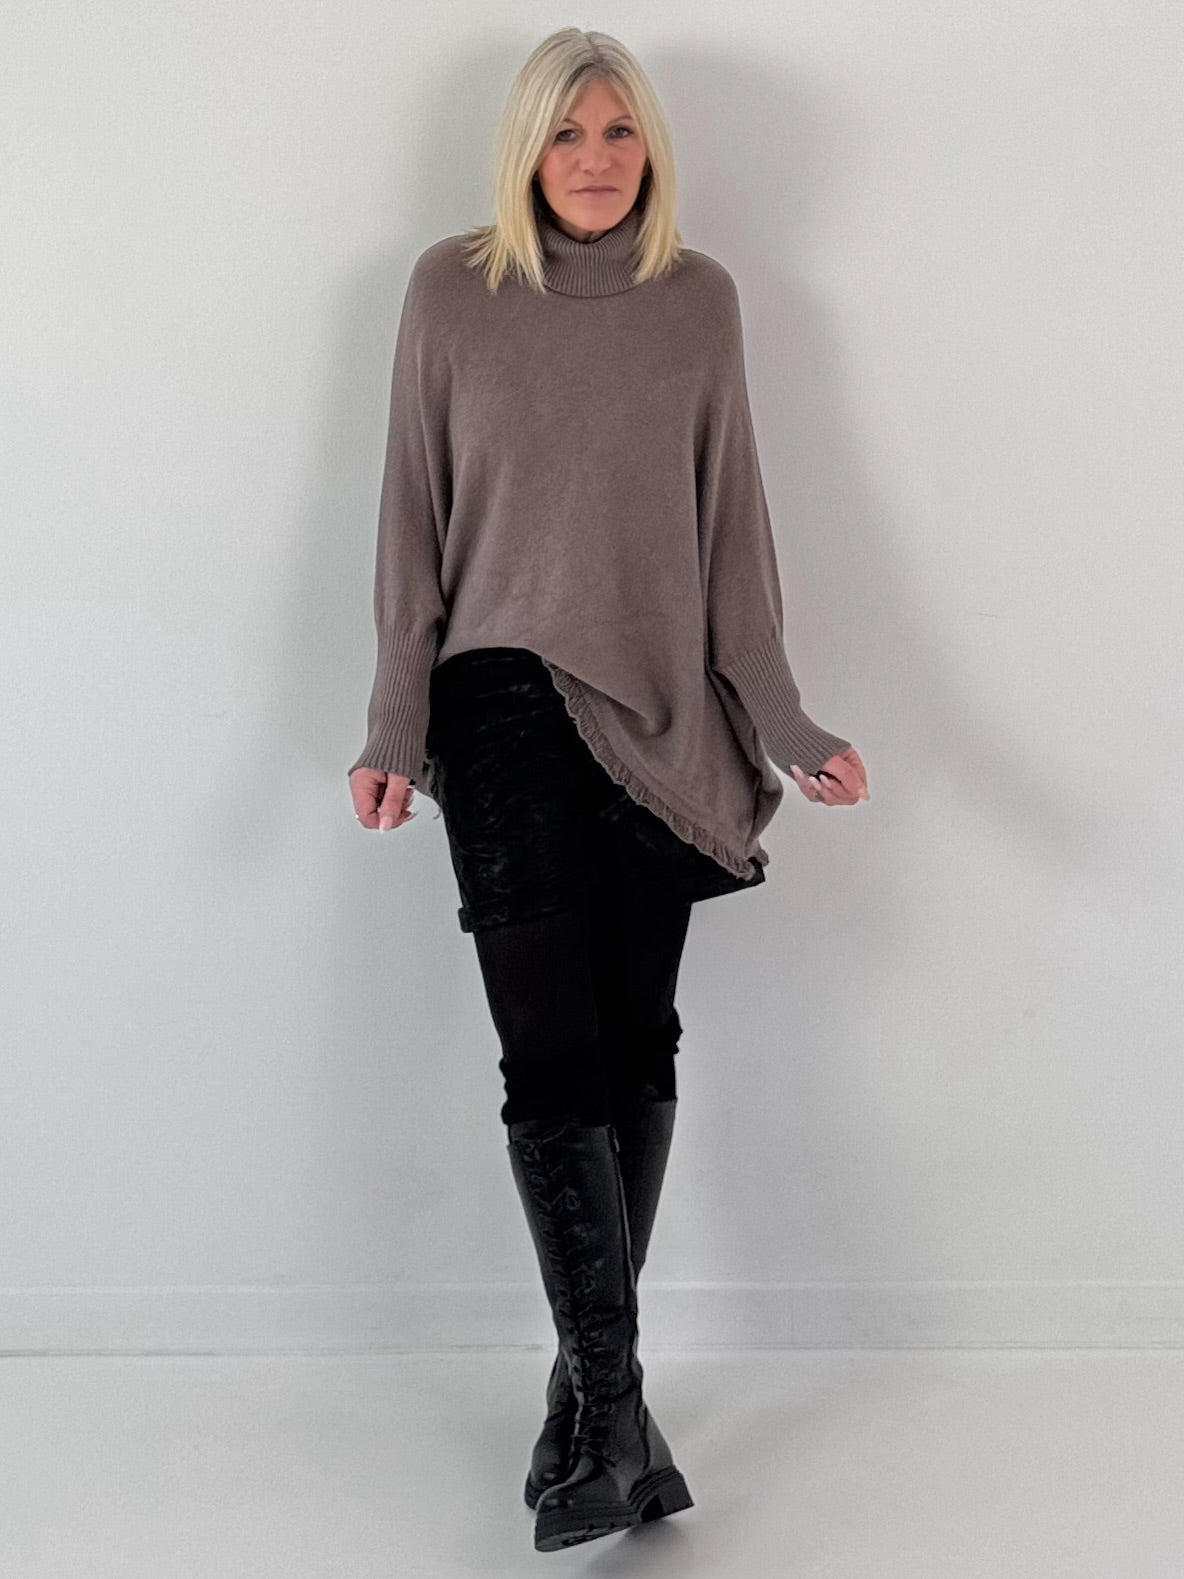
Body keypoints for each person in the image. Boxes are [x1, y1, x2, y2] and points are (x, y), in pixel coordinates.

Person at [346, 27, 870, 1553]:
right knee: (551, 1061)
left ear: (652, 150)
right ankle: (620, 1404)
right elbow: (410, 526)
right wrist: (392, 731)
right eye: (568, 132)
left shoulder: (699, 303)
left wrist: (786, 721)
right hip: (498, 701)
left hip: (664, 712)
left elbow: (732, 538)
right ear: (526, 148)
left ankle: (590, 1420)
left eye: (620, 132)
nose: (594, 159)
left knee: (637, 1042)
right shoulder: (453, 291)